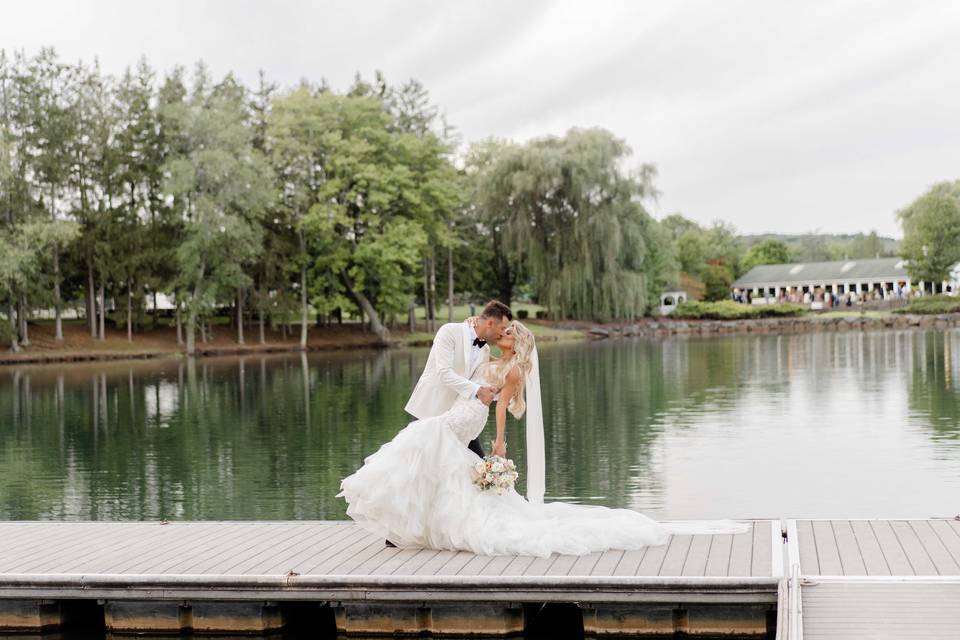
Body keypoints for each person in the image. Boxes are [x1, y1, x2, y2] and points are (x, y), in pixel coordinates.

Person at [338, 321, 742, 558]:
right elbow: (468, 379)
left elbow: (501, 407)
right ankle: (404, 526)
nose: (504, 334)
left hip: (470, 420)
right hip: (460, 417)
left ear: (518, 342)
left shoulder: (512, 370)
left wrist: (498, 443)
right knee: (432, 460)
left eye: (510, 333)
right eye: (504, 329)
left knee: (428, 455)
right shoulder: (491, 359)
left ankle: (403, 527)